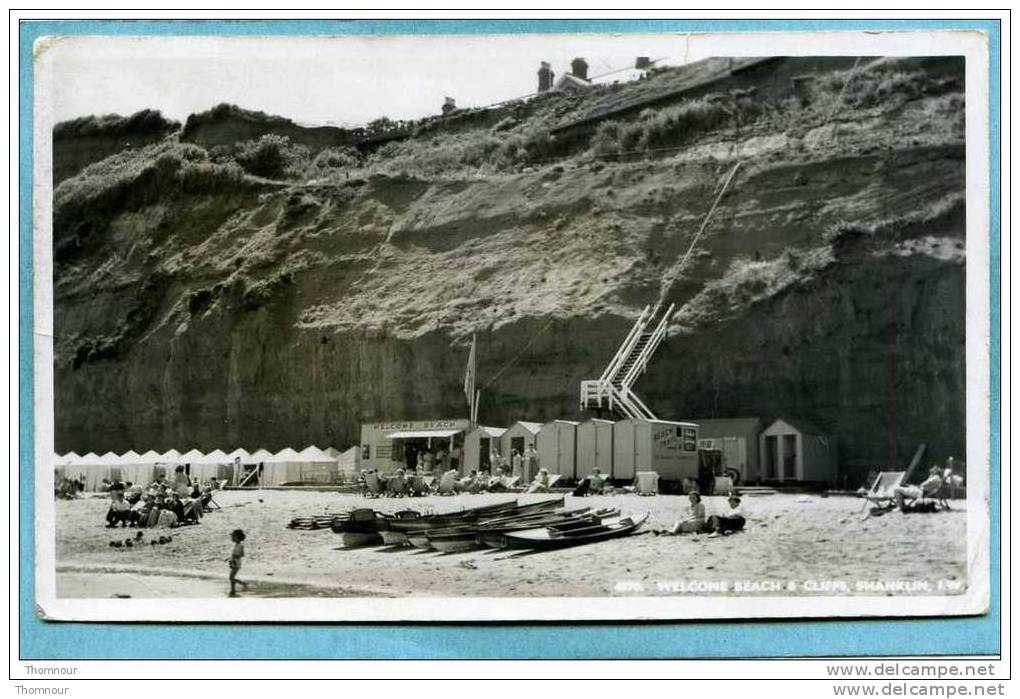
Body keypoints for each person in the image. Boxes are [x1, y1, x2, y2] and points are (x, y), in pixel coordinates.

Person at [228, 529, 247, 597]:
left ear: (239, 537)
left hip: (237, 563)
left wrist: (235, 556)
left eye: (234, 536)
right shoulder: (236, 545)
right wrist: (230, 559)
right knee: (231, 577)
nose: (232, 538)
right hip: (234, 562)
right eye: (233, 536)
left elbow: (242, 554)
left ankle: (241, 584)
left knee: (231, 577)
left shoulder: (240, 545)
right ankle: (233, 589)